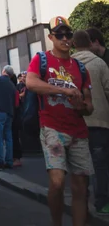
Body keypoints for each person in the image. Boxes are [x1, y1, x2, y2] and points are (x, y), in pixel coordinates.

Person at [26, 16, 94, 226]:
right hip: (52, 128)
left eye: (68, 34)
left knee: (81, 187)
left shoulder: (81, 68)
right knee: (57, 182)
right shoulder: (41, 59)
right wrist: (63, 90)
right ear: (51, 37)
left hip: (78, 132)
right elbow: (31, 83)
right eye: (60, 35)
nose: (65, 38)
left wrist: (81, 105)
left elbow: (90, 107)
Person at [73, 29, 109, 215]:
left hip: (77, 122)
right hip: (100, 121)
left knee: (80, 165)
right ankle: (102, 203)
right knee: (100, 164)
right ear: (89, 42)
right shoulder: (99, 64)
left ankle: (82, 202)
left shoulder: (69, 65)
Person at [0, 65, 17, 170]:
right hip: (9, 112)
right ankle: (9, 161)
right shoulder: (12, 85)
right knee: (8, 137)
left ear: (4, 71)